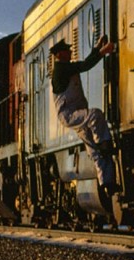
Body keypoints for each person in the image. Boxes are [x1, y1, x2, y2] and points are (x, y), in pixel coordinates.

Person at [50, 36, 118, 219]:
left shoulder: (64, 67)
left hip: (75, 113)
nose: (70, 51)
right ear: (59, 54)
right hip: (70, 114)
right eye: (67, 50)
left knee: (93, 152)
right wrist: (102, 52)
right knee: (95, 114)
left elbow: (85, 63)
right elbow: (85, 65)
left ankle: (107, 183)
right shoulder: (61, 68)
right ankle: (104, 141)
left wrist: (97, 48)